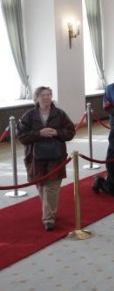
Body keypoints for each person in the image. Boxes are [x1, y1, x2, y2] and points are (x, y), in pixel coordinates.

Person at [16, 86, 76, 231]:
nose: (47, 97)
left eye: (49, 94)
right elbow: (22, 136)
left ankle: (48, 218)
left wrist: (56, 132)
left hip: (56, 156)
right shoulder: (28, 116)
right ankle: (50, 211)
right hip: (36, 158)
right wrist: (39, 133)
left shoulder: (60, 114)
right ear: (36, 98)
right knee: (42, 186)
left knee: (52, 187)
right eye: (43, 95)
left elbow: (70, 132)